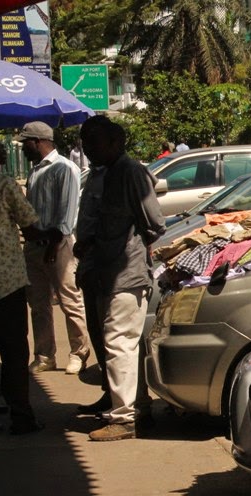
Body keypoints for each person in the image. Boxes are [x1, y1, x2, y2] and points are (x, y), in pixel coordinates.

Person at [76, 116, 165, 441]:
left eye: (93, 141)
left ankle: (124, 418)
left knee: (119, 345)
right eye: (84, 142)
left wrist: (129, 246)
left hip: (126, 275)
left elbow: (155, 223)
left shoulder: (131, 172)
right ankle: (137, 409)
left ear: (115, 142)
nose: (87, 149)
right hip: (107, 273)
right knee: (124, 345)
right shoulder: (108, 173)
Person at [0, 127, 54, 436]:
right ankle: (21, 416)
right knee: (14, 354)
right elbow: (30, 227)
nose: (2, 150)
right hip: (6, 284)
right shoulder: (3, 185)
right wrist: (50, 235)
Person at [16, 121, 91, 376]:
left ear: (37, 142)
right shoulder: (35, 171)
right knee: (38, 304)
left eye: (25, 143)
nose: (22, 148)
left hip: (59, 245)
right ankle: (45, 355)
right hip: (34, 246)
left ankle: (78, 352)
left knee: (70, 301)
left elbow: (67, 213)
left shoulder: (64, 168)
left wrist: (54, 245)